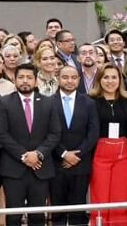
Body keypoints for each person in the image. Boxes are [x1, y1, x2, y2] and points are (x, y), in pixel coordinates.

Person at [0, 64, 61, 226]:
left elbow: (55, 133)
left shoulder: (48, 103)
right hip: (13, 169)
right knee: (13, 217)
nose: (25, 81)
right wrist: (24, 156)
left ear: (36, 81)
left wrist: (38, 154)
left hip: (41, 168)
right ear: (14, 80)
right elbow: (1, 133)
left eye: (29, 78)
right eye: (21, 77)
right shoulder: (4, 102)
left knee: (37, 217)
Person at [50, 65, 98, 226]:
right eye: (65, 77)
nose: (69, 81)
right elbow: (47, 133)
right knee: (58, 211)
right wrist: (63, 154)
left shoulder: (89, 103)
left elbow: (93, 133)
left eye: (73, 77)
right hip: (57, 164)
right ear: (58, 78)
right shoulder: (48, 103)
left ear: (79, 79)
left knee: (78, 211)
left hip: (81, 163)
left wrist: (77, 155)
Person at [88, 64, 127, 226]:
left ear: (120, 80)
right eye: (106, 77)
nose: (110, 81)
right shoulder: (91, 101)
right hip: (99, 155)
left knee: (121, 196)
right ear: (99, 80)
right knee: (100, 197)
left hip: (124, 155)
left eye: (114, 77)